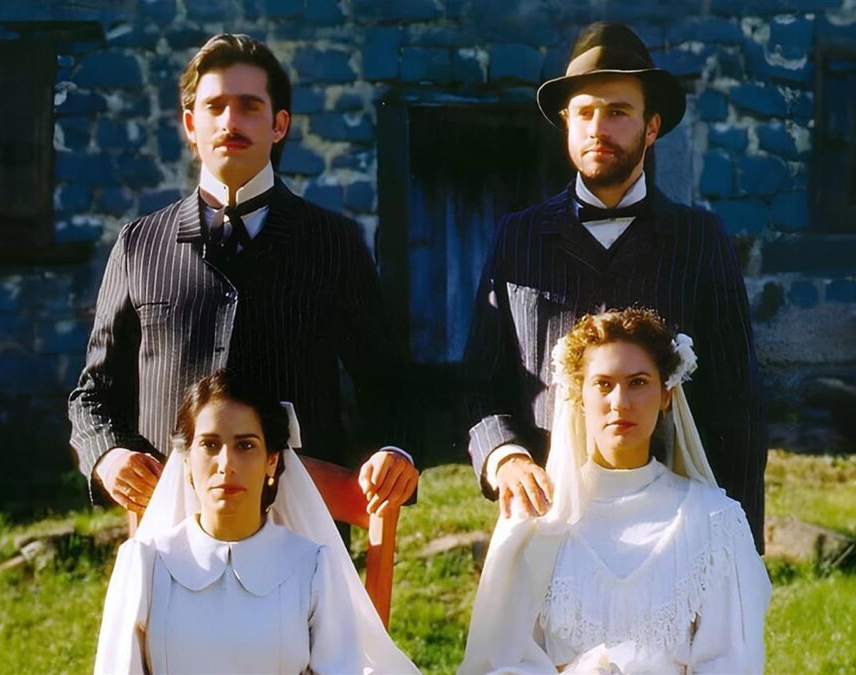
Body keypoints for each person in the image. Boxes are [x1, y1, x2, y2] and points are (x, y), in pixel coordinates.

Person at [68, 33, 418, 521]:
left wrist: (394, 451)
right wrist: (108, 456)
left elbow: (388, 382)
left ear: (279, 125)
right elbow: (94, 394)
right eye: (215, 107)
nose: (230, 122)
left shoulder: (333, 242)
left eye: (250, 107)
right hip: (172, 536)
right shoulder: (139, 245)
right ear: (191, 126)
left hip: (302, 538)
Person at [463, 21, 766, 550]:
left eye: (618, 112)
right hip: (551, 519)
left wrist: (739, 543)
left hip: (671, 529)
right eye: (584, 113)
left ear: (651, 127)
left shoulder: (699, 239)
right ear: (566, 123)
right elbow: (478, 384)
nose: (598, 128)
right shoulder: (519, 238)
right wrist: (504, 456)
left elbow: (738, 400)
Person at [459, 309, 770, 674]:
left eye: (638, 382)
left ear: (666, 394)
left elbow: (731, 661)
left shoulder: (714, 520)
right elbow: (502, 661)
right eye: (603, 384)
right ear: (579, 396)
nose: (620, 402)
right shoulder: (536, 520)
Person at [94, 370, 419, 674]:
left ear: (271, 461)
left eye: (245, 445)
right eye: (209, 445)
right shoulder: (144, 563)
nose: (226, 464)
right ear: (187, 460)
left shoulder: (314, 566)